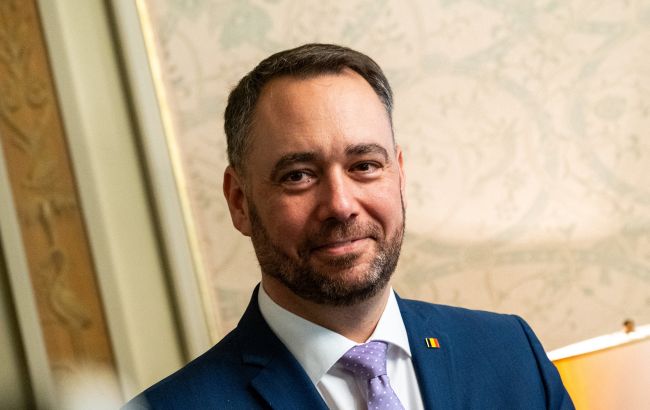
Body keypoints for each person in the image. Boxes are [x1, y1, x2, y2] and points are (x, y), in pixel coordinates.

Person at [125, 43, 574, 409]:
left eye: (364, 165)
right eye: (298, 175)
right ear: (239, 202)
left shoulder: (510, 353)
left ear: (399, 174)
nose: (340, 206)